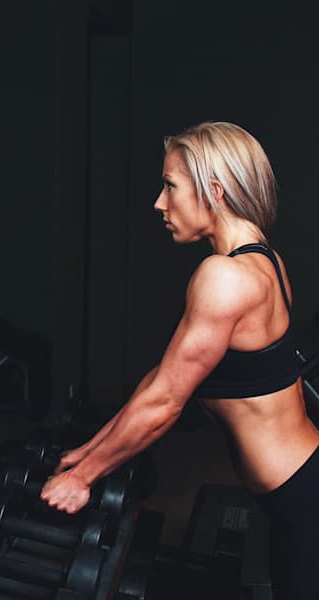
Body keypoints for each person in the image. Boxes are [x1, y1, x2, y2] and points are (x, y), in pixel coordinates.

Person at [41, 121, 319, 599]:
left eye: (170, 186)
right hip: (297, 490)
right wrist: (90, 453)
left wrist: (82, 481)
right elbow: (162, 379)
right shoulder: (265, 261)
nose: (159, 203)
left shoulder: (224, 277)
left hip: (302, 499)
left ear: (214, 190)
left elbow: (168, 400)